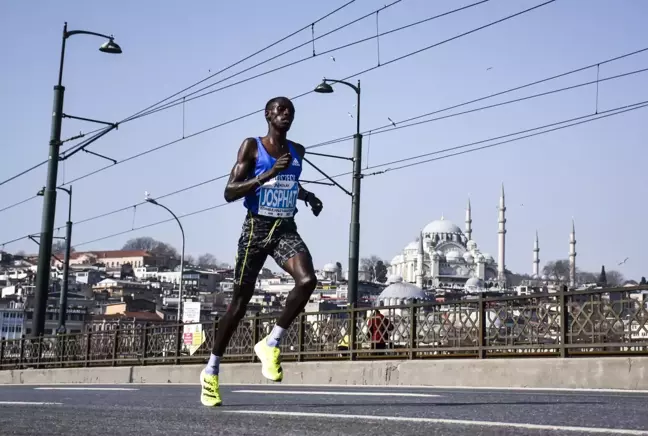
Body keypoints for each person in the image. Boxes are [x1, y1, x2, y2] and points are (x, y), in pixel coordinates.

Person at [200, 96, 323, 407]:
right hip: (255, 231)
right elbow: (229, 191)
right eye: (280, 110)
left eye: (290, 111)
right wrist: (264, 175)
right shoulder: (251, 147)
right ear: (268, 115)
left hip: (283, 229)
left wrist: (308, 196)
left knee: (308, 281)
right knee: (239, 304)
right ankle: (211, 370)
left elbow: (289, 183)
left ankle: (271, 343)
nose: (286, 114)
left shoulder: (298, 151)